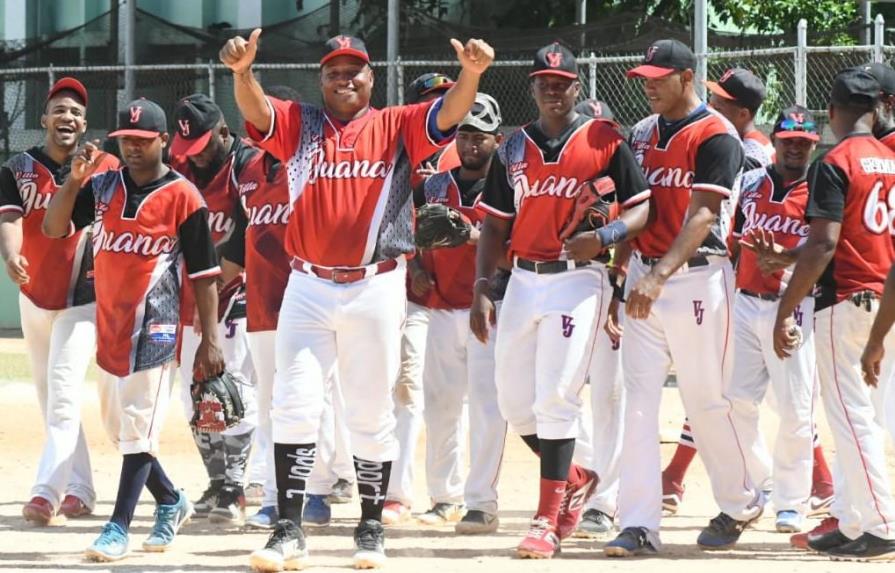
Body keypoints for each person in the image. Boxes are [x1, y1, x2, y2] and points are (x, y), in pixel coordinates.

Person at [220, 29, 491, 569]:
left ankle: (370, 524)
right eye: (334, 72)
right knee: (293, 405)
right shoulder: (300, 125)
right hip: (308, 285)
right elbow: (256, 110)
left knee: (370, 409)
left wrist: (472, 74)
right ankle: (288, 528)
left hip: (375, 282)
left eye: (355, 71)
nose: (345, 79)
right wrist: (242, 73)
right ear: (321, 80)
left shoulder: (396, 124)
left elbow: (450, 111)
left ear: (373, 78)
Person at [472, 41, 651, 559]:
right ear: (533, 87)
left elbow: (643, 210)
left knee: (555, 398)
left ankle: (547, 521)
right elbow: (494, 226)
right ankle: (574, 478)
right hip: (524, 279)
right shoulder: (512, 147)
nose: (553, 90)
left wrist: (608, 234)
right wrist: (484, 286)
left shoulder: (604, 138)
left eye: (562, 83)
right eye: (544, 83)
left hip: (579, 277)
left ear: (577, 87)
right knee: (512, 400)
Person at [43, 97, 224, 561]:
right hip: (110, 324)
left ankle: (118, 526)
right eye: (125, 141)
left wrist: (210, 339)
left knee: (139, 427)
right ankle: (170, 499)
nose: (133, 149)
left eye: (143, 141)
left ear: (163, 141)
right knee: (119, 428)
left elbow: (205, 275)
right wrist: (74, 181)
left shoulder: (185, 196)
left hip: (158, 327)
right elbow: (52, 226)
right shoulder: (101, 186)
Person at [604, 39, 761, 557]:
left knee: (705, 400)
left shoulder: (717, 134)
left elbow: (703, 215)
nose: (648, 85)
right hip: (644, 276)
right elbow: (635, 207)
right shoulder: (642, 133)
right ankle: (639, 523)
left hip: (696, 279)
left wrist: (659, 276)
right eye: (644, 77)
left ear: (686, 77)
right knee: (639, 403)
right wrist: (621, 272)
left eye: (658, 77)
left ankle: (741, 501)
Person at [770, 67, 895, 562]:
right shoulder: (889, 158)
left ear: (833, 112)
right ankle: (853, 520)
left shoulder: (835, 160)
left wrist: (784, 309)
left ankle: (882, 525)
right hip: (882, 298)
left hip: (845, 298)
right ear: (877, 109)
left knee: (851, 419)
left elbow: (823, 243)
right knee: (859, 416)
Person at [221, 84, 356, 531]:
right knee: (271, 403)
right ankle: (279, 496)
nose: (261, 129)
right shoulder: (248, 172)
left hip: (312, 298)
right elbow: (239, 241)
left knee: (311, 400)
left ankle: (316, 491)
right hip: (261, 303)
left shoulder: (317, 165)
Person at [0, 78, 118, 526]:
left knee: (65, 393)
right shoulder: (17, 168)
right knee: (51, 397)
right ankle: (82, 489)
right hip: (34, 296)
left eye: (76, 112)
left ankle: (46, 492)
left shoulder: (103, 166)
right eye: (60, 110)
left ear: (84, 124)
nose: (68, 117)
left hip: (83, 297)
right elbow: (10, 218)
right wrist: (11, 255)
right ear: (44, 120)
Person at [413, 93, 508, 533]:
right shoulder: (433, 186)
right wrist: (414, 266)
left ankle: (480, 500)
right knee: (440, 406)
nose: (470, 145)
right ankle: (443, 496)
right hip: (440, 306)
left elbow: (519, 248)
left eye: (480, 137)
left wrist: (473, 238)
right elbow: (406, 231)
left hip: (490, 306)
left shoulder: (508, 186)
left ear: (497, 140)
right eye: (464, 135)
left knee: (487, 405)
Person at [727, 106, 820, 535]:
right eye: (789, 141)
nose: (796, 148)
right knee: (739, 401)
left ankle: (792, 502)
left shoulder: (820, 189)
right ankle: (760, 483)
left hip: (794, 304)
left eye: (804, 143)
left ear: (813, 147)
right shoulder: (749, 181)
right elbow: (733, 236)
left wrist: (783, 258)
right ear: (775, 142)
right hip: (745, 300)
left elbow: (824, 246)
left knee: (796, 409)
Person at [168, 93, 259, 526]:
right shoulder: (180, 168)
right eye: (187, 149)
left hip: (236, 291)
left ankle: (236, 488)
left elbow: (246, 233)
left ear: (224, 132)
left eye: (202, 146)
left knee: (232, 388)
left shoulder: (246, 165)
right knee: (195, 392)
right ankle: (217, 480)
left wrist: (216, 281)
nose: (194, 157)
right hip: (191, 296)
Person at [382, 70, 459, 526]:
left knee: (449, 398)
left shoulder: (464, 150)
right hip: (409, 292)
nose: (440, 106)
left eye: (444, 99)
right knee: (405, 388)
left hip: (456, 295)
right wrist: (412, 266)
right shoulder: (398, 152)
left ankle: (448, 495)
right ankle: (397, 491)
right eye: (431, 100)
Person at [567, 96, 627, 539]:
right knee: (560, 390)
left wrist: (619, 290)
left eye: (600, 129)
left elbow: (639, 228)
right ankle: (584, 474)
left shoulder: (624, 172)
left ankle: (605, 500)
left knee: (609, 394)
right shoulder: (561, 174)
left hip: (611, 285)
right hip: (564, 286)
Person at [705, 68, 774, 170]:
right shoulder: (732, 139)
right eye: (709, 104)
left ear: (743, 114)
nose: (709, 111)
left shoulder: (755, 153)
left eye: (717, 108)